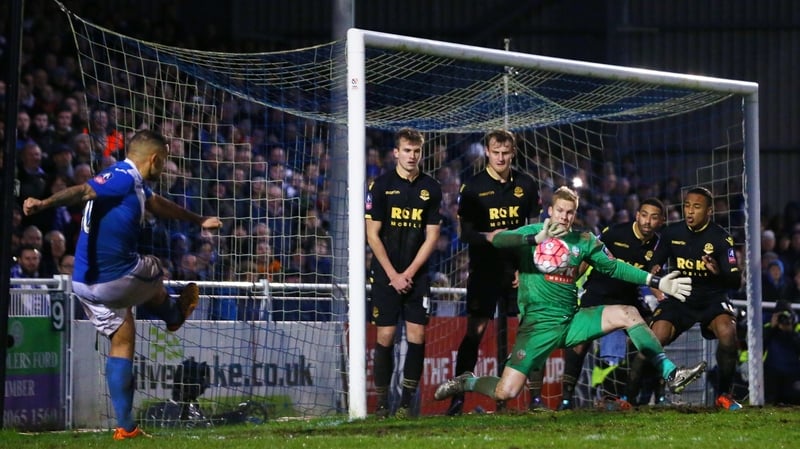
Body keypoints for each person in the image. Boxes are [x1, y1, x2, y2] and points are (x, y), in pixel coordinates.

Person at [23, 130, 223, 439]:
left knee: (124, 336)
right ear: (155, 159)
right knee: (157, 267)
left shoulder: (127, 181)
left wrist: (198, 220)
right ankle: (172, 314)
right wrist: (43, 203)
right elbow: (81, 192)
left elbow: (157, 205)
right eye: (165, 159)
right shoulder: (122, 177)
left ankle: (126, 428)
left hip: (84, 284)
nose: (165, 165)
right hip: (114, 278)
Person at [433, 186, 705, 407]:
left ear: (574, 215)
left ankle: (672, 373)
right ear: (550, 211)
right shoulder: (531, 234)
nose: (564, 217)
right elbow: (499, 239)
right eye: (560, 211)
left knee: (628, 312)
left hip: (572, 320)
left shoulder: (584, 240)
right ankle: (468, 381)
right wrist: (535, 239)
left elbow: (614, 266)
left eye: (570, 212)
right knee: (505, 392)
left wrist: (655, 281)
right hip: (537, 328)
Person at [446, 129, 540, 415]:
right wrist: (490, 237)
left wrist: (524, 266)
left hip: (520, 272)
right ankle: (458, 397)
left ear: (513, 152)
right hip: (485, 271)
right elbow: (465, 234)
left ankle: (530, 399)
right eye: (495, 152)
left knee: (529, 333)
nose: (500, 157)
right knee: (475, 332)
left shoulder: (526, 184)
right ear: (487, 151)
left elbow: (534, 230)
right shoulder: (473, 187)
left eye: (506, 152)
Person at [558, 198, 666, 410]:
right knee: (578, 343)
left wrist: (663, 297)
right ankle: (566, 399)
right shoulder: (616, 232)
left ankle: (638, 397)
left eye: (654, 217)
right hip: (597, 294)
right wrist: (569, 284)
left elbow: (654, 276)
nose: (647, 221)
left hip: (627, 299)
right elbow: (588, 257)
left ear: (661, 221)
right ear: (637, 215)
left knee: (651, 338)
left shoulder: (658, 245)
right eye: (644, 215)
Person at [643, 187, 744, 411]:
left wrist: (718, 271)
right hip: (681, 297)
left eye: (696, 207)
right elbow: (654, 264)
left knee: (728, 334)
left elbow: (736, 282)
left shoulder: (721, 238)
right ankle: (639, 397)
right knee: (653, 338)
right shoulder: (672, 233)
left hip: (712, 299)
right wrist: (656, 279)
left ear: (709, 211)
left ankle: (723, 395)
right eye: (687, 206)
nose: (690, 211)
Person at [365, 127, 443, 418]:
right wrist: (393, 274)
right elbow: (372, 235)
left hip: (417, 276)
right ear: (396, 152)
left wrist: (408, 273)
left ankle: (407, 404)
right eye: (407, 150)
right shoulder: (381, 186)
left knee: (417, 336)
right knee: (384, 336)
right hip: (386, 273)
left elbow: (432, 236)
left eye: (416, 151)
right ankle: (383, 404)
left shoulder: (431, 188)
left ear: (421, 153)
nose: (412, 156)